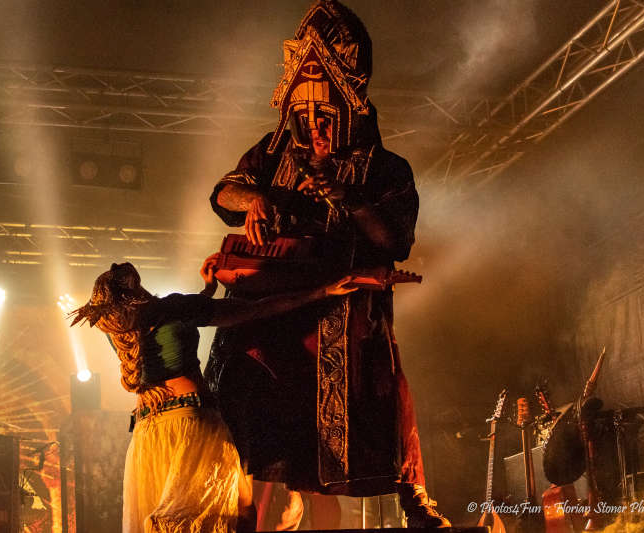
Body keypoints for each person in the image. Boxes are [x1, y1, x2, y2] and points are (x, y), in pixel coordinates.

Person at [206, 0, 448, 527]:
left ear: (349, 109)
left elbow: (396, 239)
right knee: (245, 431)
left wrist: (350, 198)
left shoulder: (384, 168)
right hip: (270, 313)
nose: (313, 126)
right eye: (304, 115)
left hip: (340, 319)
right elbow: (225, 191)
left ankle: (397, 501)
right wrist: (257, 201)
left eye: (325, 116)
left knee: (324, 456)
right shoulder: (272, 153)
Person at [69, 261, 356, 533]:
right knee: (237, 511)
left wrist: (205, 291)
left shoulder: (115, 329)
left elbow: (173, 324)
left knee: (170, 519)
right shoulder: (173, 307)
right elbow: (255, 310)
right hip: (193, 425)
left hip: (148, 433)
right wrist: (321, 292)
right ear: (138, 289)